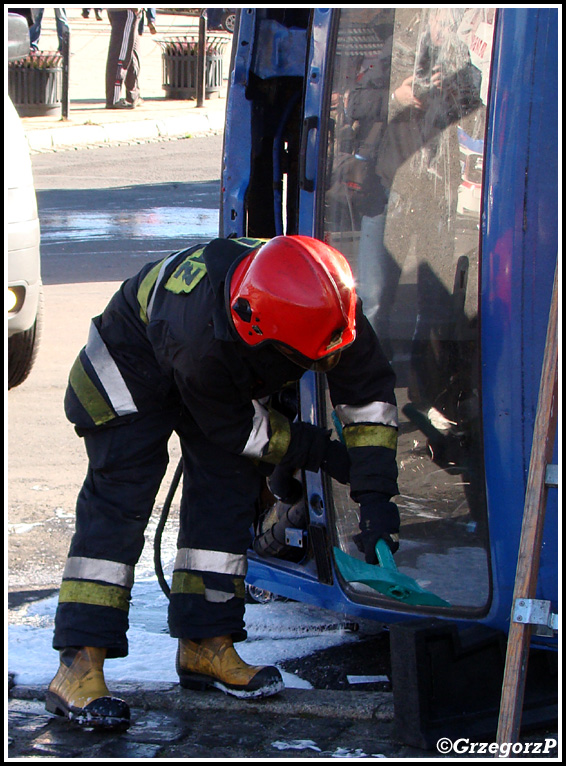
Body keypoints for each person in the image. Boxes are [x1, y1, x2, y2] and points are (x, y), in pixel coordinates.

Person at [45, 235, 400, 730]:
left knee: (226, 496)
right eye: (309, 360)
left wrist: (376, 493)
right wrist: (322, 452)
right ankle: (78, 664)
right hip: (130, 368)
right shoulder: (203, 339)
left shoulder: (326, 301)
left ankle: (204, 646)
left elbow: (369, 399)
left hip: (216, 375)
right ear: (256, 330)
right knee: (120, 505)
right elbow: (240, 429)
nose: (322, 367)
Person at [105, 7, 143, 109]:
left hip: (128, 11)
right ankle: (114, 98)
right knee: (120, 54)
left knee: (131, 52)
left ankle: (133, 95)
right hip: (126, 11)